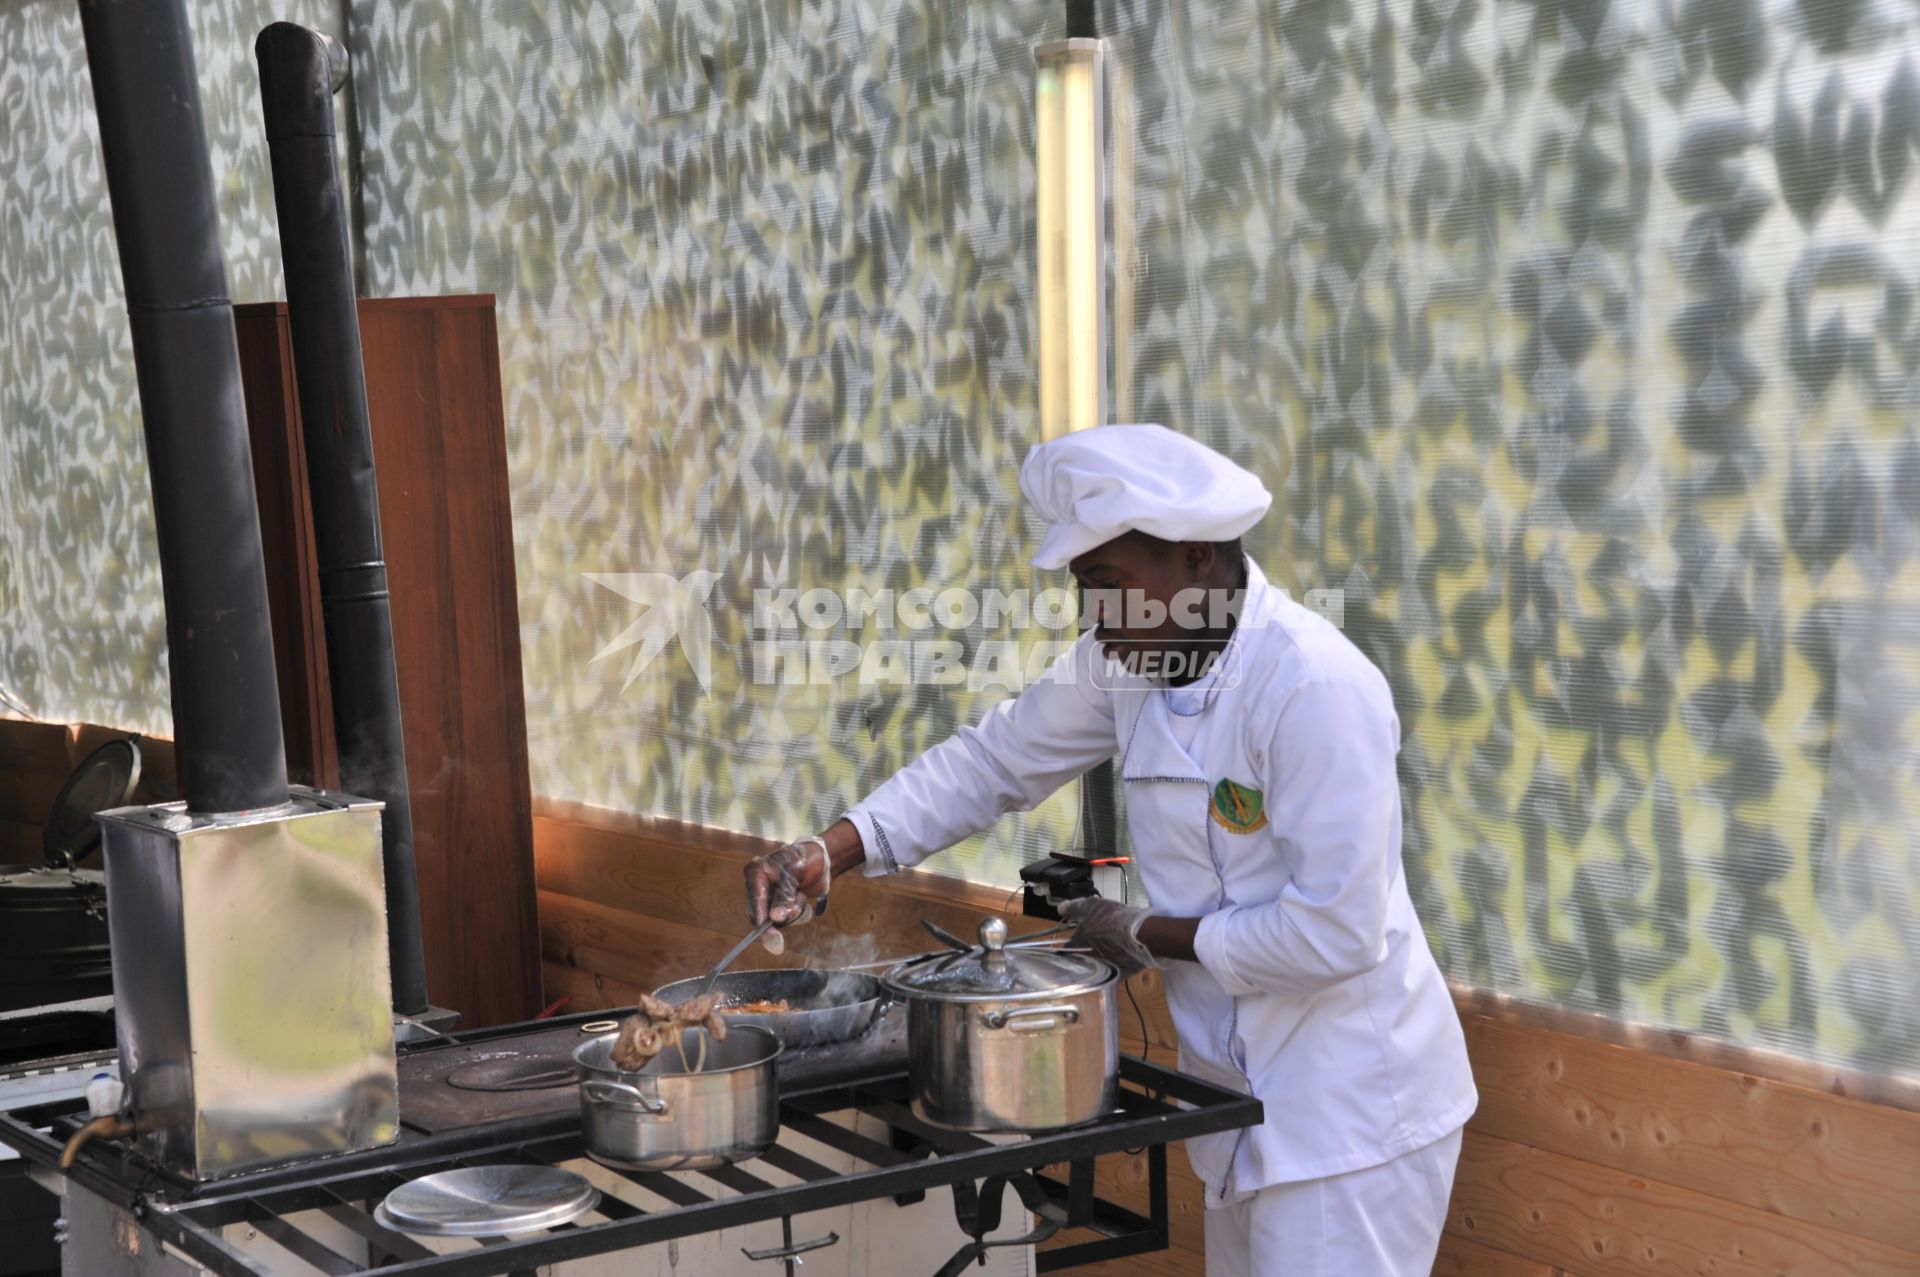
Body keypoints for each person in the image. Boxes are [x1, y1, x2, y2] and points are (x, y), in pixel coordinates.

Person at [745, 424, 1476, 1276]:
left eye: (1111, 584)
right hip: (1240, 1110)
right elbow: (996, 759)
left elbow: (1338, 934)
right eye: (1088, 591)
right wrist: (831, 850)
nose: (1099, 617)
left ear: (1198, 557)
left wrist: (1144, 931)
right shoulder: (1129, 658)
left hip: (1350, 1121)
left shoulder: (1313, 687)